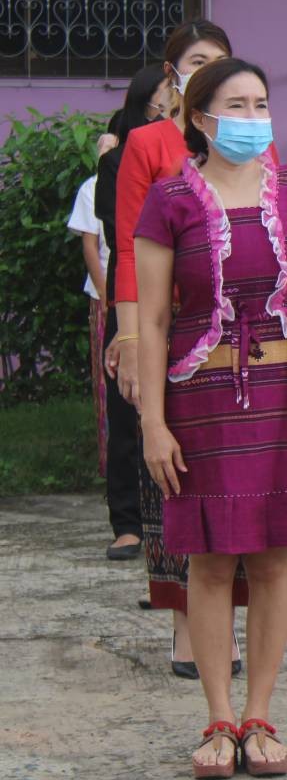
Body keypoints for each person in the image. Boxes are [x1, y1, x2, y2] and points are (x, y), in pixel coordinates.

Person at [135, 58, 287, 779]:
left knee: (274, 559)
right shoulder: (169, 199)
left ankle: (259, 715)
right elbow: (153, 319)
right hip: (200, 402)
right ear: (200, 118)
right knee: (211, 559)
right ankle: (218, 719)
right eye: (237, 105)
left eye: (261, 103)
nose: (254, 117)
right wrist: (152, 423)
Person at [112, 21, 254, 674]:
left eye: (219, 60)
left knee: (235, 482)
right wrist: (130, 336)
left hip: (236, 334)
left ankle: (229, 626)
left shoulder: (250, 139)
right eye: (198, 60)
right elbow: (127, 249)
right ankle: (184, 626)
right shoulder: (148, 143)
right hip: (166, 328)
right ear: (174, 73)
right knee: (169, 479)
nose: (210, 69)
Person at [97, 66, 173, 562]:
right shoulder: (119, 160)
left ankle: (171, 529)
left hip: (186, 300)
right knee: (129, 410)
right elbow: (120, 237)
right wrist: (126, 332)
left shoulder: (210, 156)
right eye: (164, 96)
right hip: (134, 294)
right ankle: (127, 523)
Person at [66, 141, 115, 510]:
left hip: (141, 292)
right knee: (107, 382)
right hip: (106, 295)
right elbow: (90, 245)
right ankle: (111, 467)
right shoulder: (92, 188)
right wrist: (105, 295)